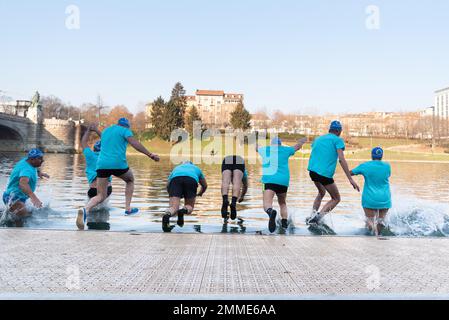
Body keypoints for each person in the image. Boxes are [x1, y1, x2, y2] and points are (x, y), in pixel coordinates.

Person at [77, 118, 160, 230]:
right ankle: (128, 208)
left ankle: (85, 209)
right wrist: (150, 155)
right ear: (126, 126)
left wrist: (95, 130)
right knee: (130, 180)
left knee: (100, 195)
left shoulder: (107, 131)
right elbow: (134, 142)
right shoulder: (125, 131)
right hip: (118, 164)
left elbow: (104, 138)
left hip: (102, 166)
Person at [306, 121, 360, 225]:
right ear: (339, 131)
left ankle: (312, 215)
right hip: (324, 174)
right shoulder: (337, 140)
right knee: (336, 198)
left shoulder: (318, 139)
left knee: (321, 192)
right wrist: (350, 178)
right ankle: (318, 218)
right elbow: (341, 159)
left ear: (329, 129)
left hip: (312, 171)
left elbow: (316, 150)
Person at [257, 137, 307, 232]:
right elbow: (297, 146)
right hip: (283, 181)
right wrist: (302, 141)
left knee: (267, 203)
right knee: (282, 203)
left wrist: (255, 142)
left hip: (269, 180)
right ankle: (284, 223)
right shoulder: (286, 150)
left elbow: (256, 147)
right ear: (280, 144)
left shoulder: (265, 150)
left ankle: (271, 212)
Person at [351, 147, 391, 235]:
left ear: (371, 155)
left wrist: (353, 181)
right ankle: (378, 236)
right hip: (384, 198)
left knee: (369, 221)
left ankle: (371, 237)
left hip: (370, 198)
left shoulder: (365, 166)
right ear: (381, 156)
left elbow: (350, 173)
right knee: (381, 221)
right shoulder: (387, 166)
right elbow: (388, 175)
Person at [2, 149, 49, 223]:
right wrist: (33, 197)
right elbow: (23, 183)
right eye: (40, 159)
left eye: (42, 158)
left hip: (18, 197)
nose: (43, 160)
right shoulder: (26, 169)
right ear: (32, 159)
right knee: (24, 217)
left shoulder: (27, 161)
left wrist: (39, 172)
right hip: (12, 198)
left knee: (25, 216)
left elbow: (32, 166)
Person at [163, 161, 207, 229]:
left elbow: (168, 185)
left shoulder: (176, 168)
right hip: (191, 180)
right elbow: (204, 185)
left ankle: (167, 215)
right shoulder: (196, 168)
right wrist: (201, 193)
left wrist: (171, 194)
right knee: (189, 206)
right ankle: (183, 211)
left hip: (176, 180)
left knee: (174, 207)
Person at [81, 124, 112, 202]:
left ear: (94, 149)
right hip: (107, 189)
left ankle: (87, 210)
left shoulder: (90, 155)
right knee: (103, 206)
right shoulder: (108, 156)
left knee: (90, 207)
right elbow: (106, 140)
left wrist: (89, 130)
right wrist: (96, 130)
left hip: (93, 190)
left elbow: (83, 141)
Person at [221, 155, 248, 222]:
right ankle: (233, 203)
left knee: (225, 180)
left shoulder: (230, 174)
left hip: (228, 158)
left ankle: (225, 200)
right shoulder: (243, 173)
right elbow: (245, 185)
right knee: (237, 181)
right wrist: (242, 196)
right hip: (239, 159)